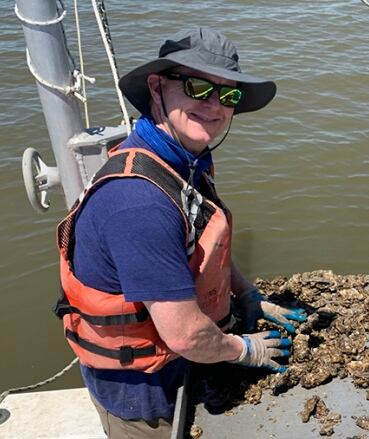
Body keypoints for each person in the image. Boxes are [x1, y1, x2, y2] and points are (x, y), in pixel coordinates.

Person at [53, 27, 306, 438]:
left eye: (228, 94)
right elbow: (187, 335)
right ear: (157, 87)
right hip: (145, 397)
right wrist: (246, 349)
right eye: (198, 87)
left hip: (184, 359)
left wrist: (247, 294)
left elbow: (204, 245)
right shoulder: (139, 203)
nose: (214, 105)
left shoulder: (185, 162)